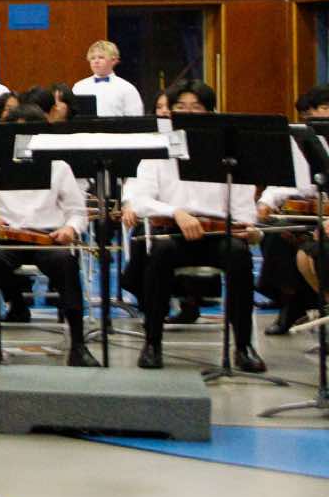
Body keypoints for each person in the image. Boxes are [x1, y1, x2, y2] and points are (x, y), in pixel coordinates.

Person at [121, 79, 263, 372]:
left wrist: (249, 229)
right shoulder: (158, 148)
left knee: (239, 254)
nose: (187, 113)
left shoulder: (228, 152)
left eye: (196, 108)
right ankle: (152, 343)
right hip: (173, 231)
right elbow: (140, 200)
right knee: (159, 254)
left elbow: (243, 208)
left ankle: (243, 346)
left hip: (218, 234)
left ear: (210, 112)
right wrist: (176, 212)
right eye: (180, 107)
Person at [0, 105, 94, 368]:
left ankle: (78, 345)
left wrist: (70, 229)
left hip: (48, 238)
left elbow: (77, 211)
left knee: (66, 262)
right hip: (7, 239)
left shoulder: (58, 166)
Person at [259, 84, 329, 334]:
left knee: (307, 246)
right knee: (274, 232)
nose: (317, 116)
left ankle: (311, 303)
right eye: (310, 113)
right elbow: (285, 180)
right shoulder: (302, 140)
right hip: (310, 211)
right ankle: (290, 302)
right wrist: (266, 201)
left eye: (324, 109)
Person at [71, 40, 144, 117]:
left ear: (113, 60)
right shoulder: (79, 87)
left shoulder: (127, 88)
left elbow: (135, 117)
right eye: (92, 58)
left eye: (101, 57)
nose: (96, 61)